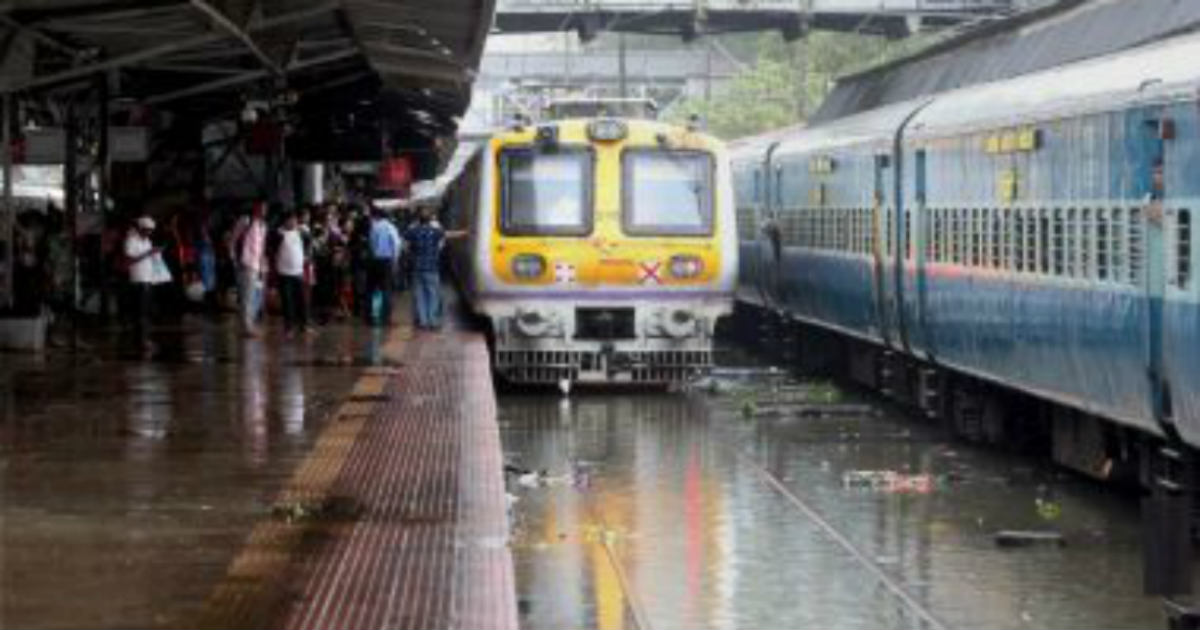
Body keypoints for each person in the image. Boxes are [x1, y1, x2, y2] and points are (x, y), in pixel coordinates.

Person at [403, 207, 466, 330]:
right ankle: (432, 320)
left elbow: (404, 246)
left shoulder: (412, 231)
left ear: (418, 220)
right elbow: (450, 234)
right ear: (430, 220)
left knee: (420, 295)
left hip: (417, 267)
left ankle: (423, 321)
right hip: (432, 268)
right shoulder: (435, 231)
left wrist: (411, 253)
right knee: (433, 294)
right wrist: (465, 232)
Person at [124, 216, 172, 355]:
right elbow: (130, 259)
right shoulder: (131, 240)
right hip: (138, 280)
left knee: (145, 313)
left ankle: (142, 340)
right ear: (140, 228)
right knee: (140, 313)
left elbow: (148, 256)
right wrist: (149, 253)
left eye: (151, 231)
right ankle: (142, 341)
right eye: (147, 231)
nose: (149, 233)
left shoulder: (146, 240)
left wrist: (155, 252)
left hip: (147, 279)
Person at [227, 201, 268, 337]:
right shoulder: (246, 221)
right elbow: (233, 239)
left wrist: (263, 265)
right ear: (255, 208)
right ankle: (247, 327)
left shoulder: (263, 226)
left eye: (265, 208)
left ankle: (247, 325)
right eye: (261, 208)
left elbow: (261, 247)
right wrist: (233, 259)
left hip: (256, 264)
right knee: (246, 296)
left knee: (253, 296)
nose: (263, 211)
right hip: (245, 263)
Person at [365, 207, 402, 326]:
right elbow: (396, 244)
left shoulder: (374, 227)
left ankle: (375, 317)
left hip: (374, 261)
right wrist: (395, 260)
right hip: (386, 261)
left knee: (375, 290)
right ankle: (386, 318)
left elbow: (371, 243)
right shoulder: (391, 227)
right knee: (386, 289)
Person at [275, 212, 309, 337]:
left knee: (302, 300)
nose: (294, 222)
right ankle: (288, 328)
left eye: (295, 220)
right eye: (291, 220)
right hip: (284, 272)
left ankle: (304, 326)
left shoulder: (300, 232)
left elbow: (308, 242)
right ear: (285, 221)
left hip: (298, 272)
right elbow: (272, 248)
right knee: (287, 302)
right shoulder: (279, 234)